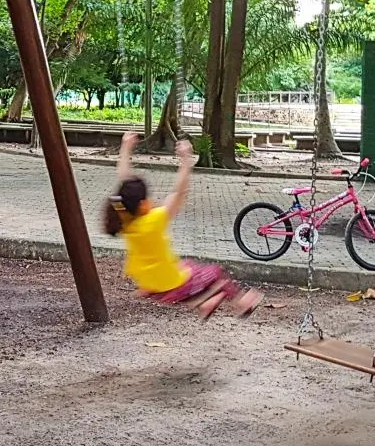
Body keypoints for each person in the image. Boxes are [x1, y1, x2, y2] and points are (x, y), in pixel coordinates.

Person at [103, 132, 263, 320]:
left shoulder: (125, 219)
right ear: (142, 204)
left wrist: (126, 147)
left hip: (151, 286)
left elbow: (123, 180)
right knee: (215, 274)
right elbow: (179, 192)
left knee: (187, 266)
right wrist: (186, 160)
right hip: (172, 286)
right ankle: (243, 303)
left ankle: (206, 302)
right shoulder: (154, 220)